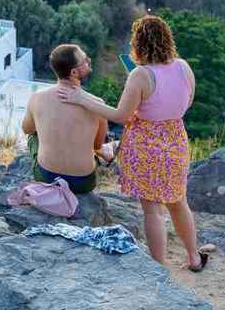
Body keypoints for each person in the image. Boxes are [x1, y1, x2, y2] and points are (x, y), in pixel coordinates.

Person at [58, 14, 208, 272]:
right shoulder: (184, 67)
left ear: (138, 43)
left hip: (146, 145)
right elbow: (187, 102)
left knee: (153, 211)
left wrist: (81, 99)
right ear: (167, 39)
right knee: (178, 202)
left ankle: (159, 269)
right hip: (176, 140)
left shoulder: (140, 75)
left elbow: (120, 116)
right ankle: (194, 258)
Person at [21, 44, 112, 195]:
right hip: (83, 183)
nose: (89, 60)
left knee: (33, 135)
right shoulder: (97, 104)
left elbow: (27, 129)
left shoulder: (37, 97)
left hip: (47, 177)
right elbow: (96, 145)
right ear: (74, 72)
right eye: (85, 60)